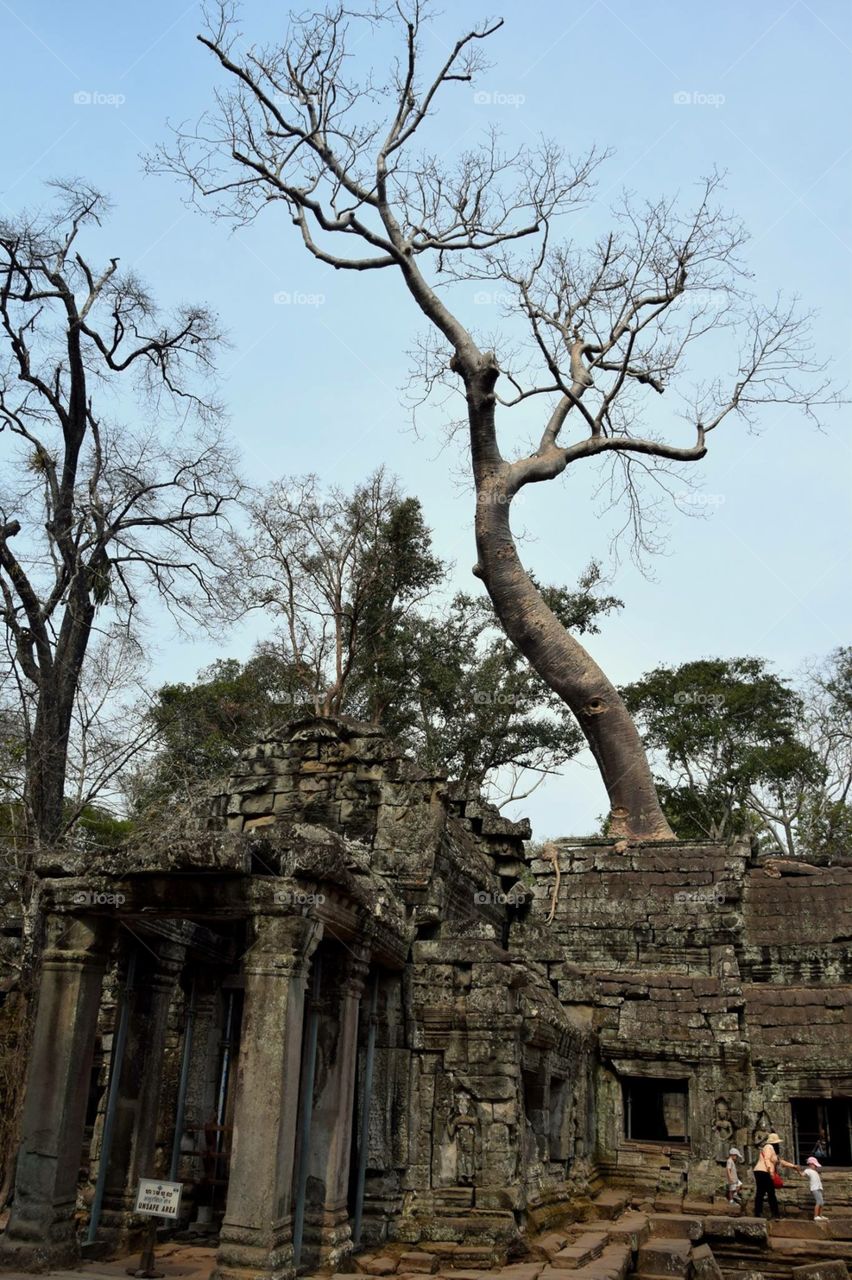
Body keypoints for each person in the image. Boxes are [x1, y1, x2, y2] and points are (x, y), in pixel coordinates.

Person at [753, 1132, 801, 1219]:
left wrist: (793, 1166)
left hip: (762, 1171)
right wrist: (770, 1171)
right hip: (764, 1171)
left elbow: (781, 1161)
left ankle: (759, 1212)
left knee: (762, 1192)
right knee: (769, 1193)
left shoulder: (772, 1151)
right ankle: (774, 1214)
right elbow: (767, 1159)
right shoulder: (768, 1147)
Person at [801, 1156, 828, 1221]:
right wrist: (797, 1169)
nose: (815, 1166)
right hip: (814, 1188)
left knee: (822, 1202)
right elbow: (802, 1175)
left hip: (819, 1188)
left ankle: (820, 1216)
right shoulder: (807, 1170)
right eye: (814, 1165)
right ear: (810, 1164)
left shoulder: (815, 1171)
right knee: (818, 1202)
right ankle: (816, 1216)